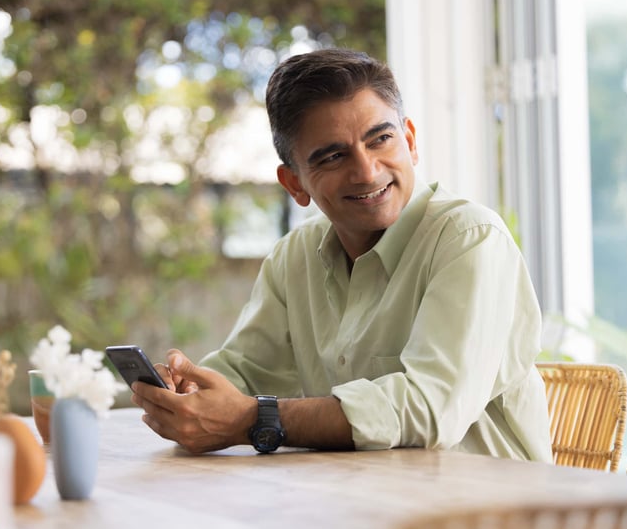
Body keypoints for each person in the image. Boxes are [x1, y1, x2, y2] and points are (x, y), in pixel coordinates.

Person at [131, 47, 553, 462]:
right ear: (295, 184)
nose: (367, 171)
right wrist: (190, 393)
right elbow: (244, 371)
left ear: (409, 141)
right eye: (333, 156)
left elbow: (428, 408)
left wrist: (254, 419)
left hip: (491, 507)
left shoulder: (470, 239)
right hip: (363, 503)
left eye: (380, 139)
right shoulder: (294, 257)